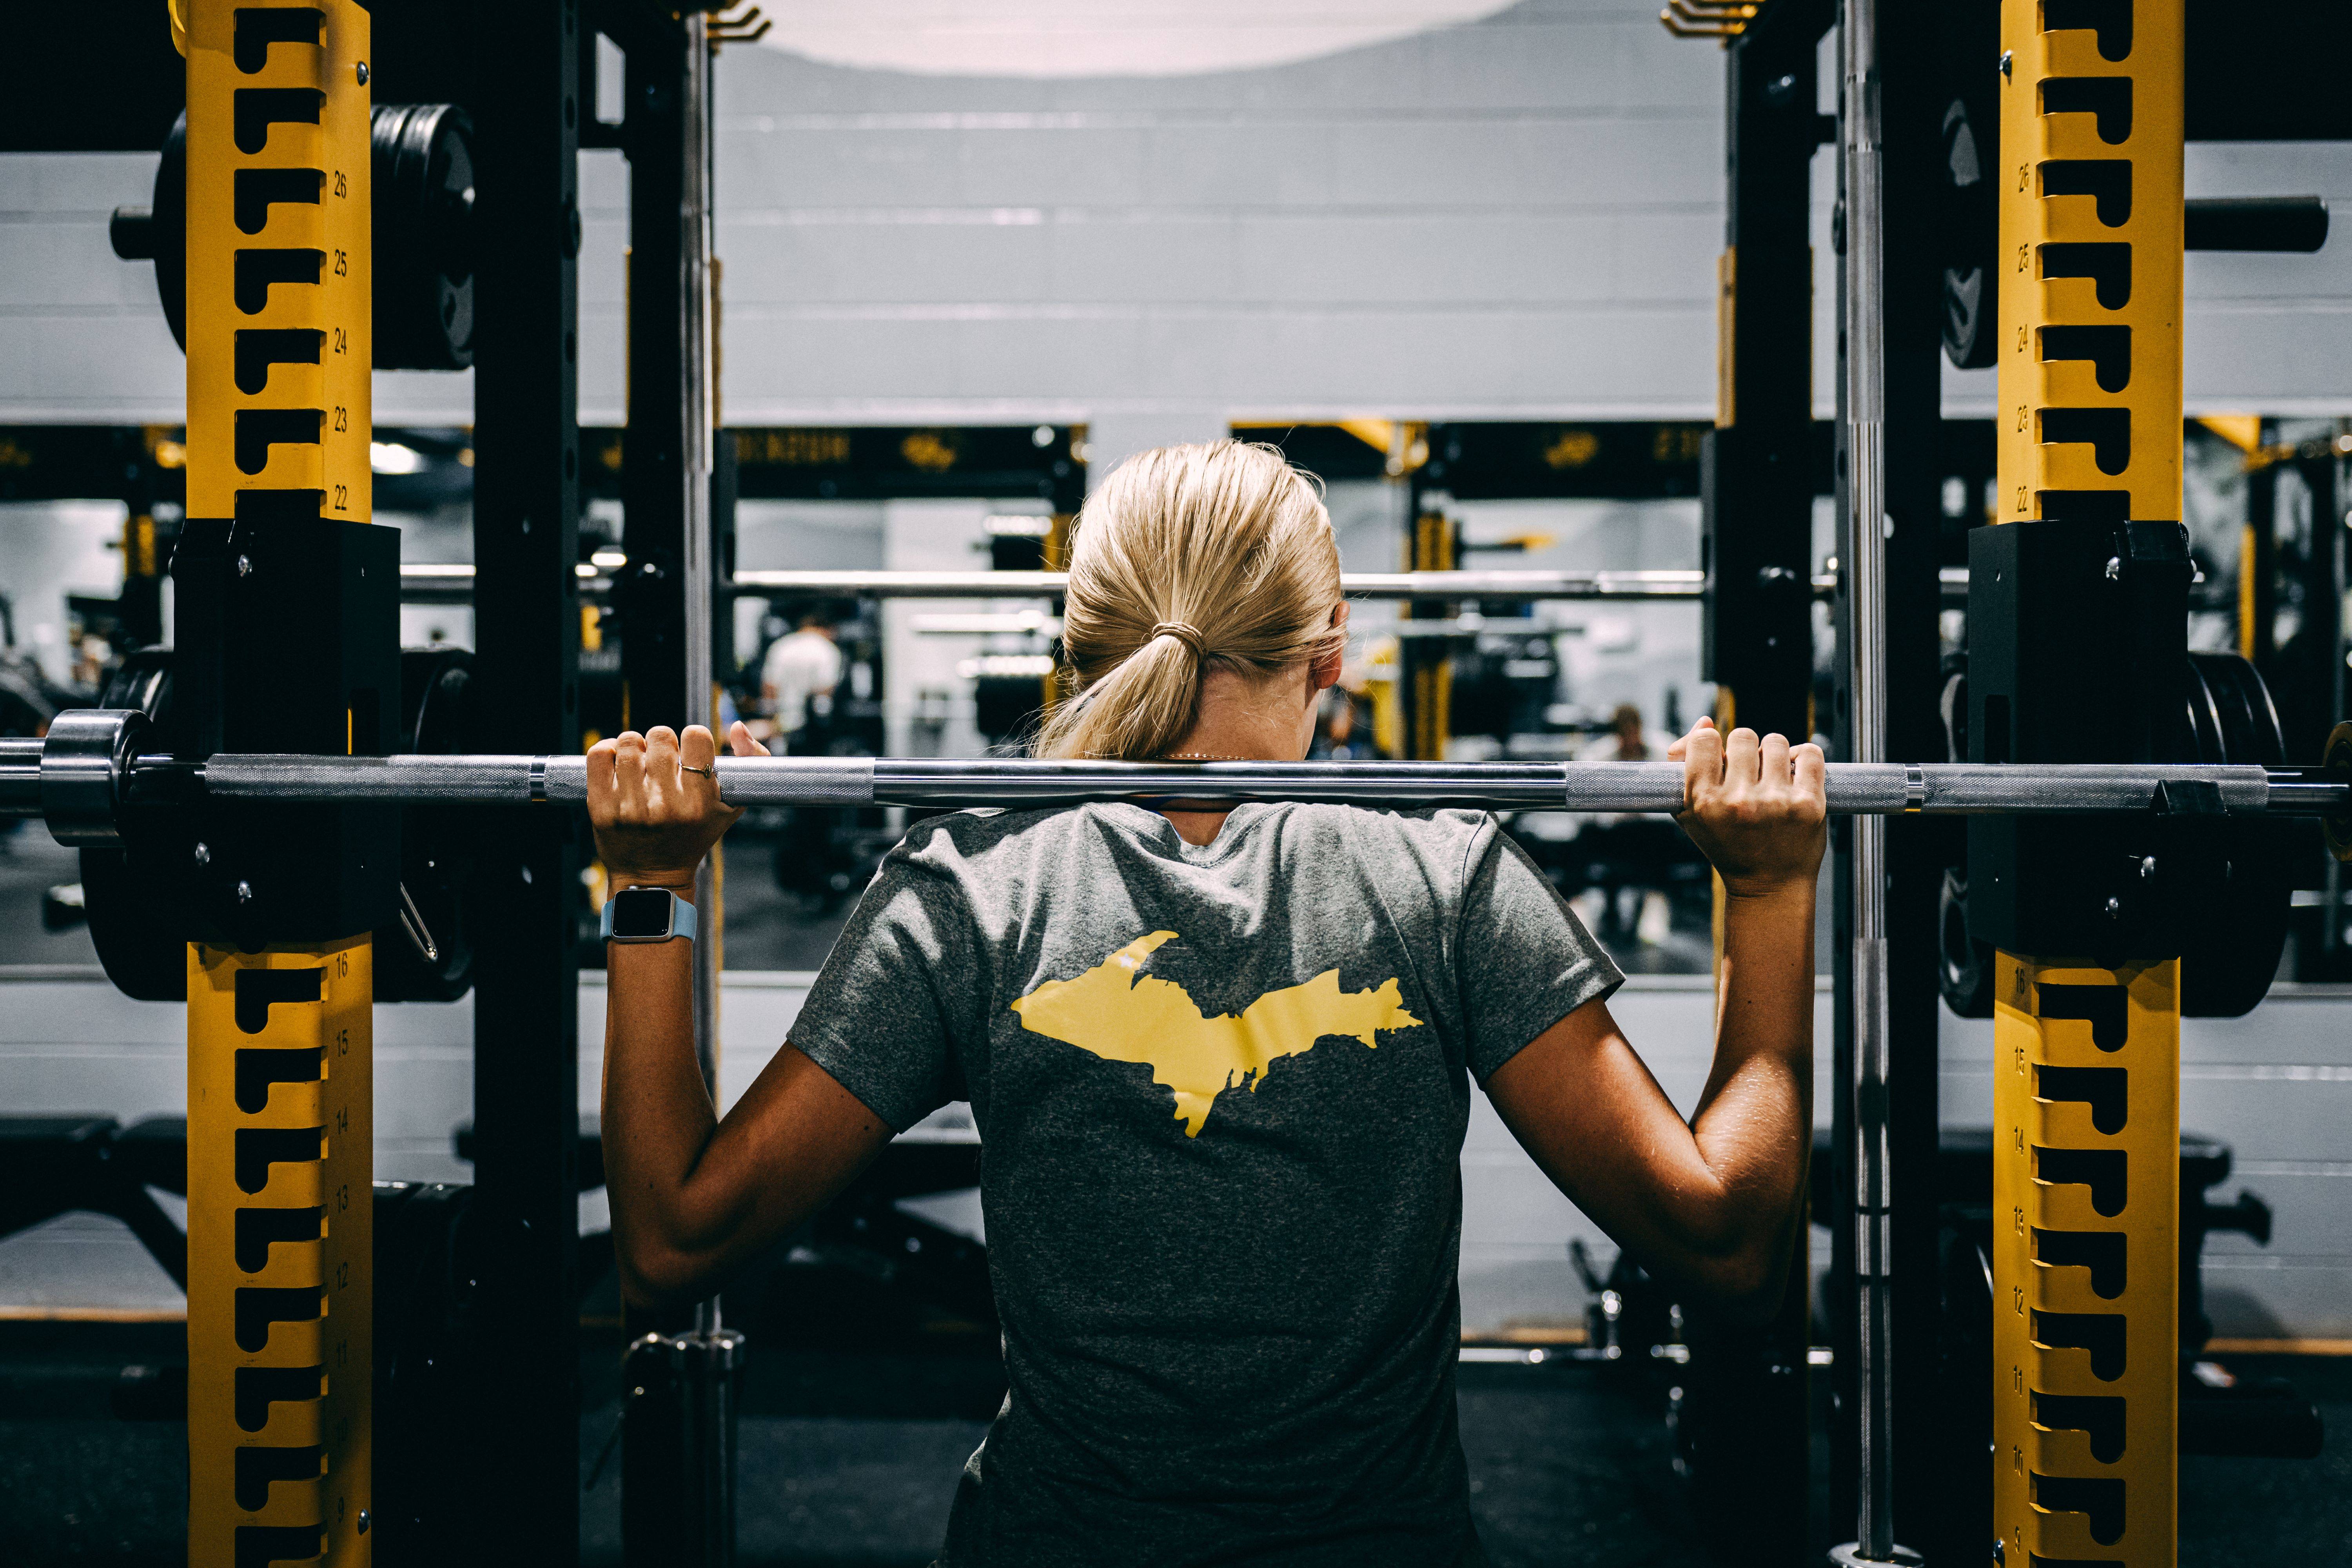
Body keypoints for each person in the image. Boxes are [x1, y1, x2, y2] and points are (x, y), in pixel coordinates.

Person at [587, 441, 1826, 1567]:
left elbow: (670, 1242)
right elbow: (1729, 1249)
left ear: (1075, 649)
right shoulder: (1442, 873)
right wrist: (1767, 894)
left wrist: (652, 887)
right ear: (1332, 649)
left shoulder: (972, 887)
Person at [760, 603, 844, 750]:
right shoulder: (828, 650)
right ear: (827, 628)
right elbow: (826, 690)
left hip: (782, 724)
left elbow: (770, 688)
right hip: (813, 727)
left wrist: (771, 721)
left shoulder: (781, 646)